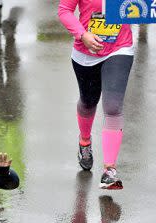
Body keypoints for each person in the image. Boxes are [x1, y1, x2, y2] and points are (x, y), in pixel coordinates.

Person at [57, 0, 134, 189]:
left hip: (120, 48)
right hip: (86, 52)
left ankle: (109, 170)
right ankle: (85, 141)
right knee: (88, 102)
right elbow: (64, 10)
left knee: (113, 108)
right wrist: (82, 34)